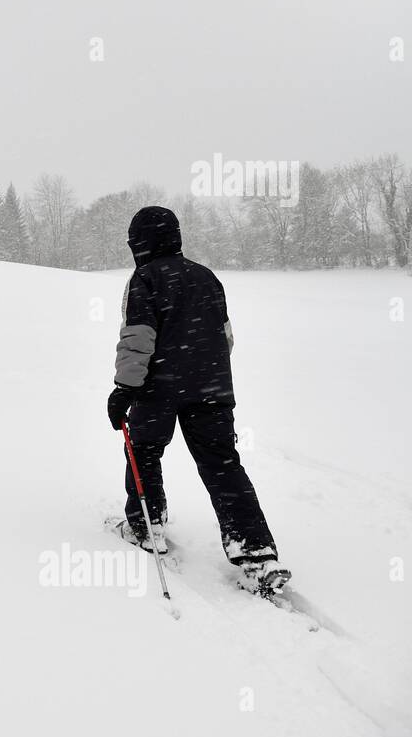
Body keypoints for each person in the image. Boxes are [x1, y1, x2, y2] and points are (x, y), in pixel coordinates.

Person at [107, 206, 290, 595]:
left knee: (143, 450)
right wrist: (199, 369)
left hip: (159, 388)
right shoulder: (206, 277)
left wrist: (124, 388)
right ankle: (256, 553)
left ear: (140, 242)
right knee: (222, 464)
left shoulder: (145, 278)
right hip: (212, 388)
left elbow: (138, 338)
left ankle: (146, 526)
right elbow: (226, 339)